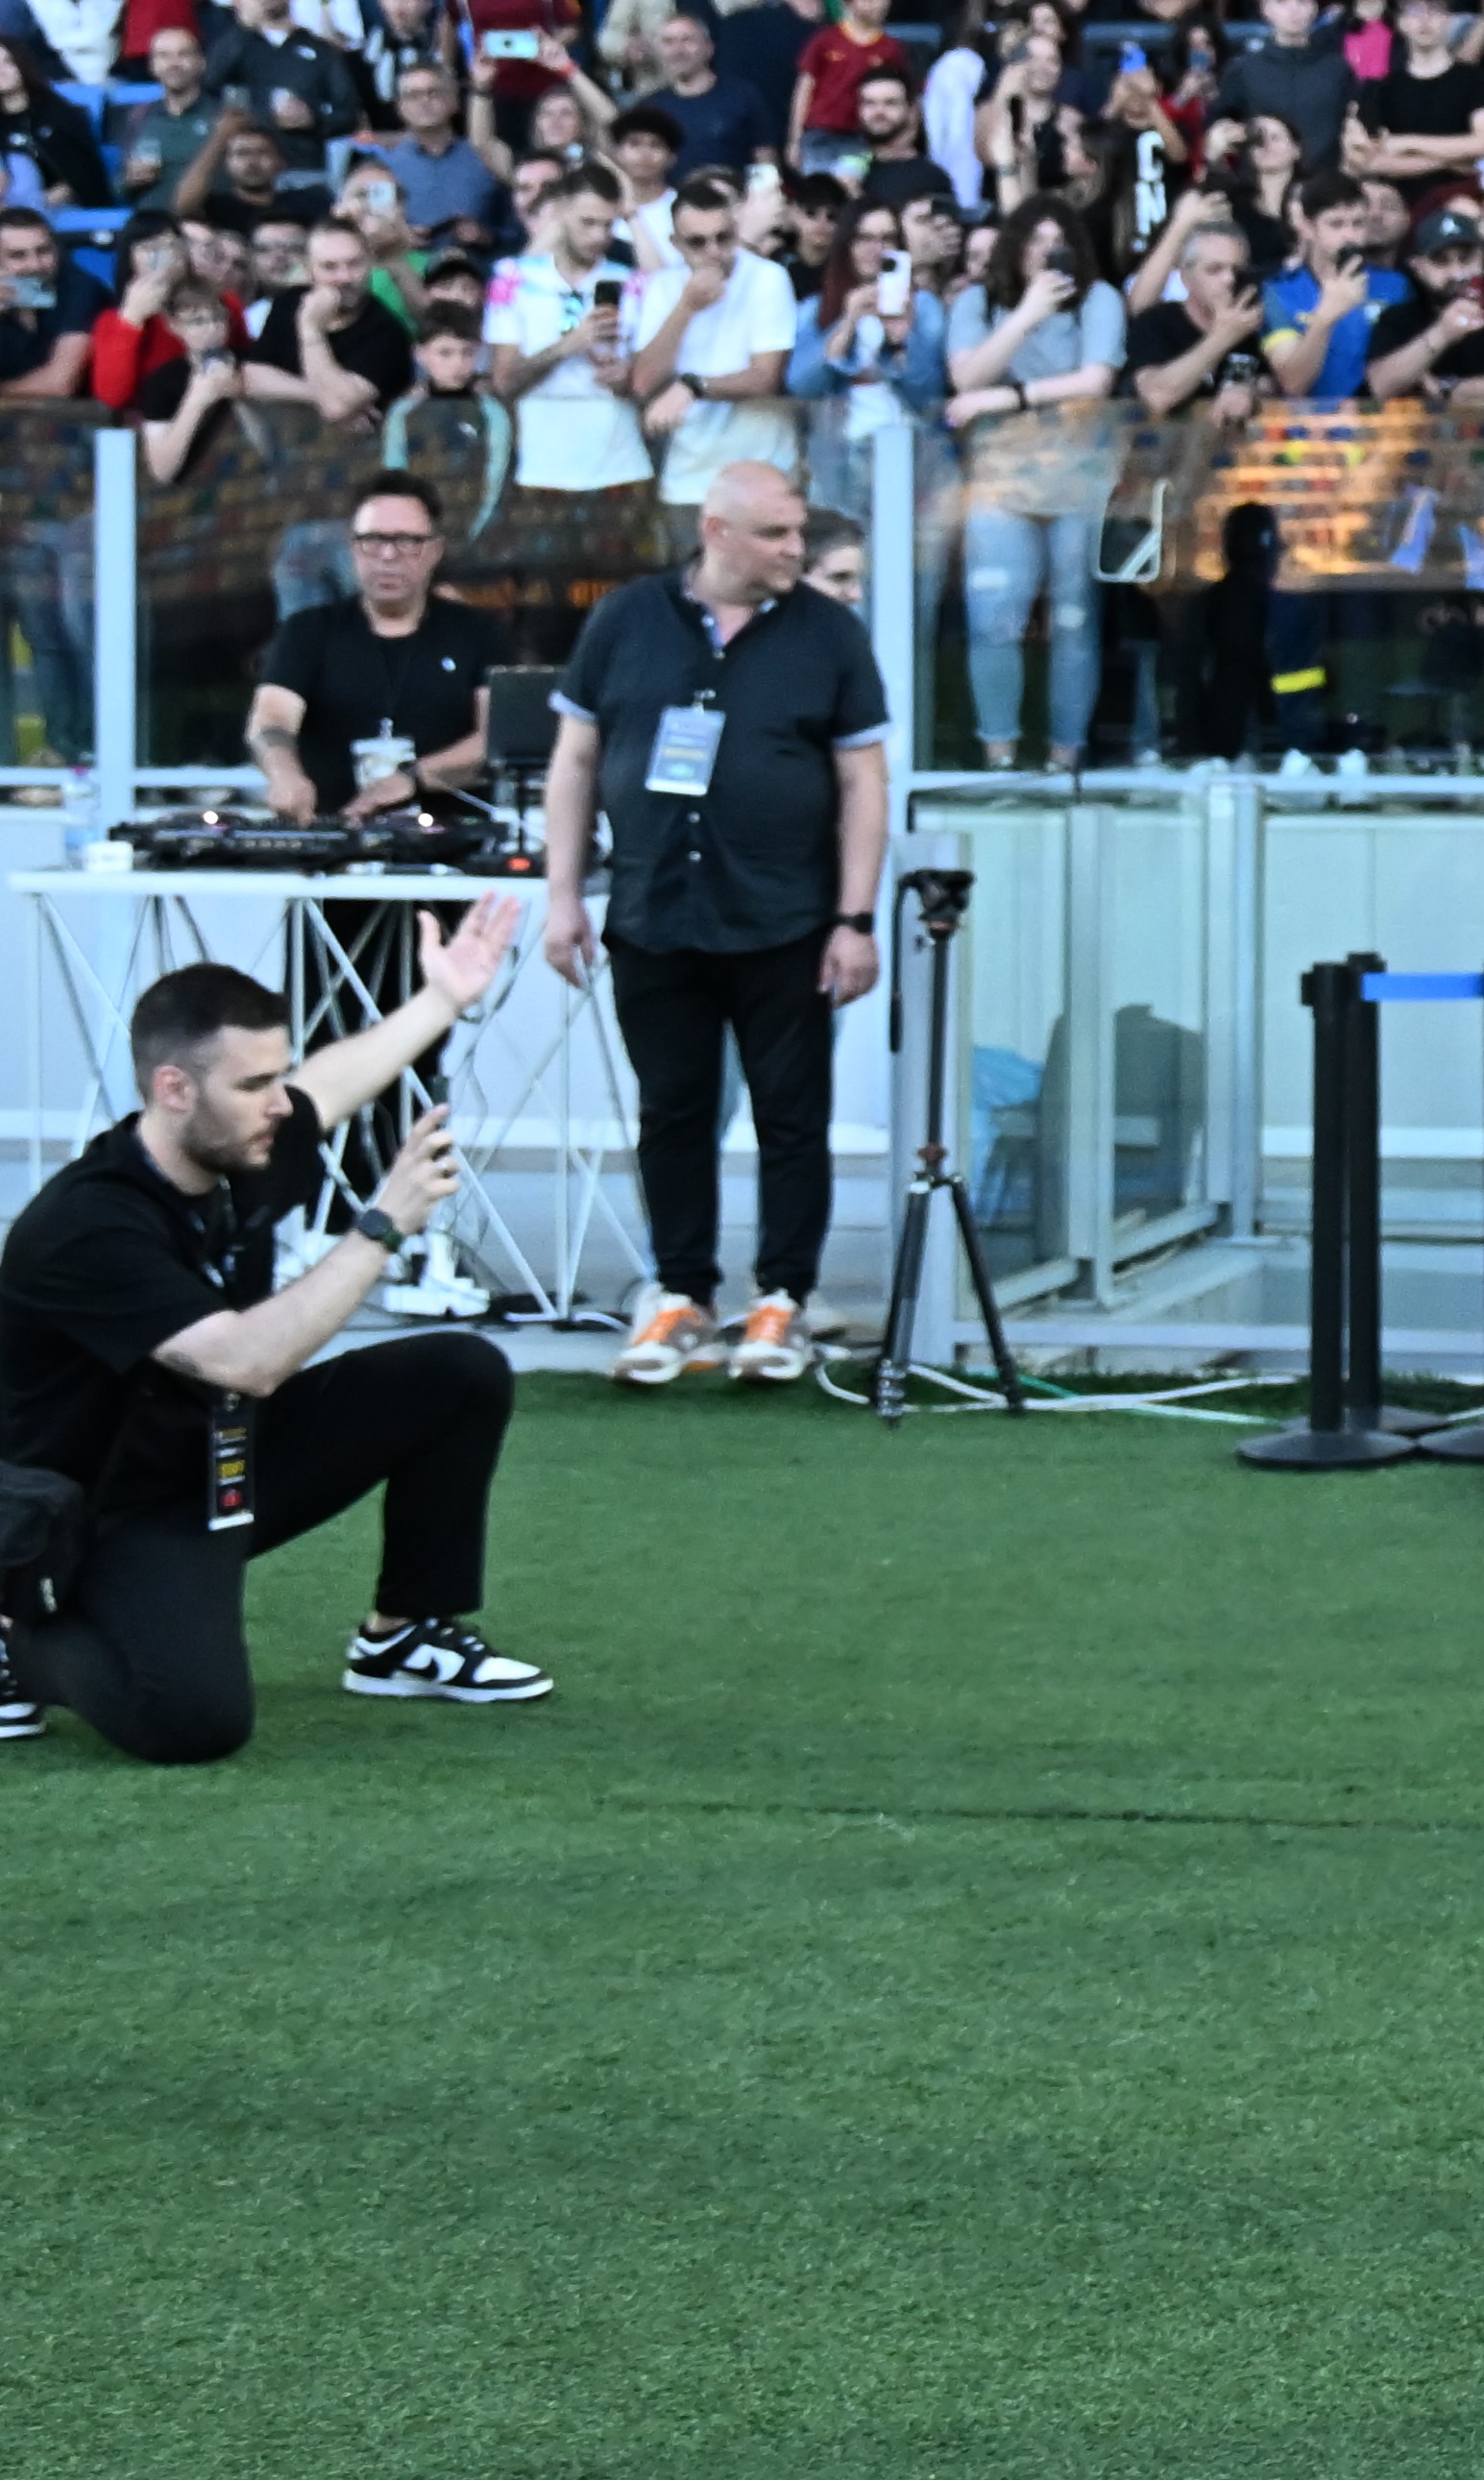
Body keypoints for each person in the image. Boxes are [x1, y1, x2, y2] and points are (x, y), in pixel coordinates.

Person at [0, 913, 538, 1760]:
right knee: (192, 1723)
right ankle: (17, 1643)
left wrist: (441, 998)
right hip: (102, 1517)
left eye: (276, 1076)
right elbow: (245, 1363)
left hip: (219, 1463)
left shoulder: (233, 1150)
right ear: (175, 1088)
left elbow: (334, 1078)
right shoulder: (85, 1228)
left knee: (457, 1371)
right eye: (255, 1084)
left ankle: (401, 1635)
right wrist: (378, 1230)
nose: (279, 1103)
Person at [540, 457, 890, 1391]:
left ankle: (782, 1298)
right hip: (654, 911)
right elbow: (575, 759)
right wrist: (562, 894)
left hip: (788, 920)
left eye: (798, 532)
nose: (795, 549)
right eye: (777, 532)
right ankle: (681, 1293)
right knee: (674, 1113)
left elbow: (864, 780)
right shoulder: (624, 619)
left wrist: (855, 917)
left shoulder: (829, 632)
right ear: (718, 530)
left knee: (790, 1114)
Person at [246, 486, 499, 816]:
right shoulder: (308, 631)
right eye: (373, 540)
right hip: (332, 839)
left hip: (455, 846)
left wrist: (412, 778)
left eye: (407, 542)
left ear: (435, 550)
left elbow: (495, 738)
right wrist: (283, 773)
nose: (388, 556)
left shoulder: (478, 632)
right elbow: (271, 719)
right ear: (352, 548)